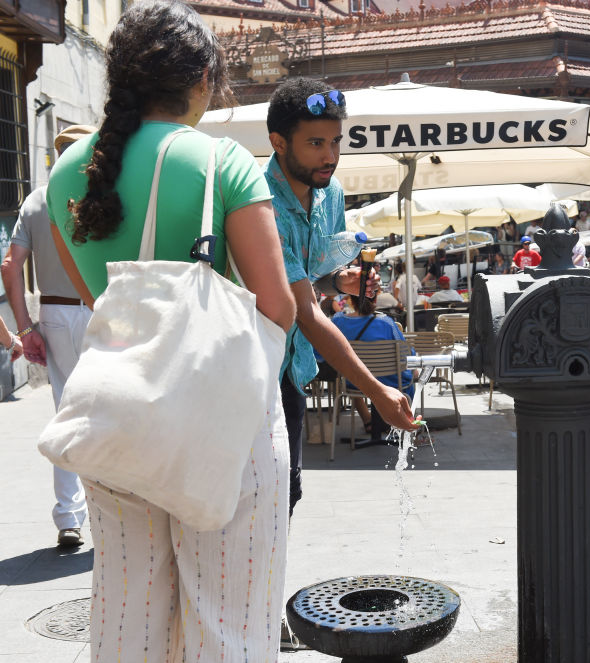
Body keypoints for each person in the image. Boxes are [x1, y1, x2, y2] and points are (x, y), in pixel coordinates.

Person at [45, 3, 298, 659]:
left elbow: (100, 299)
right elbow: (277, 306)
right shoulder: (221, 162)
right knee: (229, 626)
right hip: (223, 421)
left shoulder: (67, 173)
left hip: (118, 415)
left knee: (127, 623)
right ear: (202, 78)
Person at [264, 77, 417, 517]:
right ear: (278, 142)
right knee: (260, 499)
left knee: (287, 493)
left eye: (335, 141)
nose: (330, 155)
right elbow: (305, 312)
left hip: (294, 368)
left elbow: (314, 278)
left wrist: (340, 282)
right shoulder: (261, 204)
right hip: (253, 369)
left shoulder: (330, 193)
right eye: (315, 143)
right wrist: (377, 391)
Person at [1, 124, 95, 549]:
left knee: (66, 412)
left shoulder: (38, 199)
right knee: (112, 410)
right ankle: (111, 511)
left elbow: (10, 266)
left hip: (54, 312)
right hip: (101, 308)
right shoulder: (105, 195)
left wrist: (25, 328)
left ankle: (69, 517)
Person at [331, 291, 415, 442]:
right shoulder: (386, 322)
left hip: (355, 382)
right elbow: (406, 354)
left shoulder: (338, 321)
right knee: (411, 376)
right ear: (375, 299)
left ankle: (370, 422)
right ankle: (403, 425)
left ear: (351, 300)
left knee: (353, 375)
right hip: (390, 382)